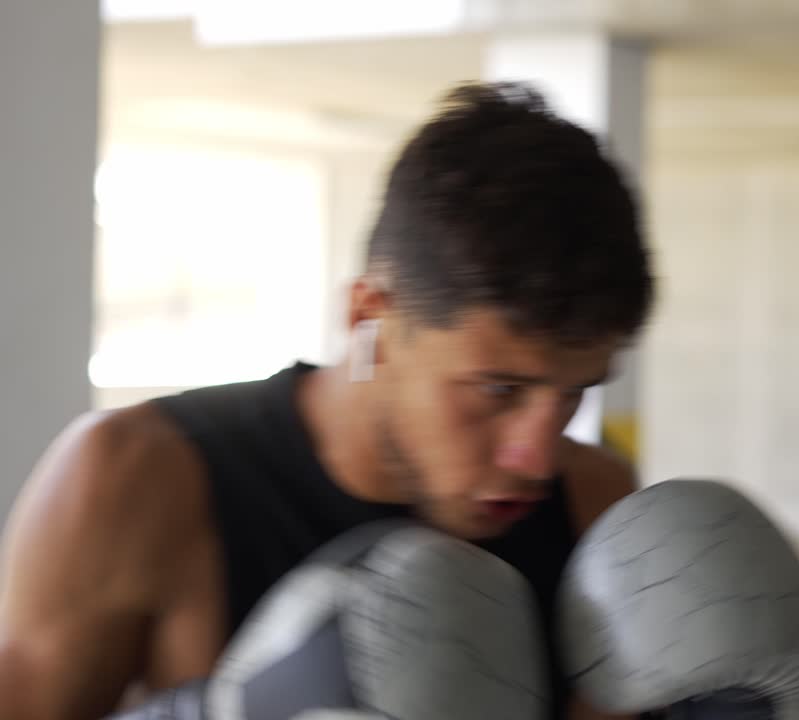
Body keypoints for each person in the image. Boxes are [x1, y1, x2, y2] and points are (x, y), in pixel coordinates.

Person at [0, 81, 653, 720]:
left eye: (574, 392)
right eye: (499, 390)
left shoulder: (594, 505)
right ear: (369, 315)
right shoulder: (136, 478)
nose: (537, 458)